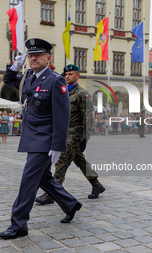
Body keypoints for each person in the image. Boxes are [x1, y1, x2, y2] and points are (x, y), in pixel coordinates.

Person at [0, 38, 82, 240]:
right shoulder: (28, 77)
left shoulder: (55, 80)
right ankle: (70, 204)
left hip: (45, 140)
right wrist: (13, 67)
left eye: (38, 55)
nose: (33, 58)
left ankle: (18, 225)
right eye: (30, 55)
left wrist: (57, 146)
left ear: (47, 58)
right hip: (31, 137)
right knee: (44, 178)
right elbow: (9, 81)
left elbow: (62, 115)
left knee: (28, 181)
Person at [35, 64, 105, 205]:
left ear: (77, 76)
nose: (67, 77)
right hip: (62, 132)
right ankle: (96, 184)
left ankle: (51, 193)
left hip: (74, 133)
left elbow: (88, 117)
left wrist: (85, 137)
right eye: (66, 74)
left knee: (61, 162)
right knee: (80, 161)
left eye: (70, 74)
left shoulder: (82, 94)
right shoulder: (62, 91)